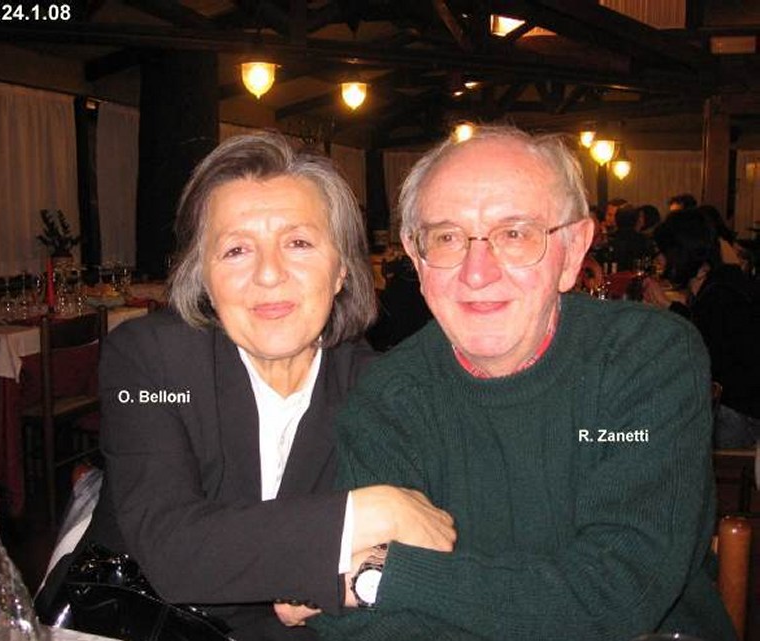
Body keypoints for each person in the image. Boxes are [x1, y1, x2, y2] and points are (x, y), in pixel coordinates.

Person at [298, 125, 734, 640]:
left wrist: (389, 576)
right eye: (447, 237)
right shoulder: (388, 398)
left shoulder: (644, 357)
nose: (477, 272)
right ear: (416, 258)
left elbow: (620, 590)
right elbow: (357, 627)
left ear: (573, 251)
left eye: (515, 234)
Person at [36, 132, 455, 641]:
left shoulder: (377, 387)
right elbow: (173, 550)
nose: (269, 274)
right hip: (131, 621)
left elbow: (430, 548)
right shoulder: (149, 362)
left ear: (342, 268)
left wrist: (336, 579)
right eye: (236, 250)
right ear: (204, 279)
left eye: (298, 243)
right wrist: (370, 511)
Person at [643, 209, 760, 449]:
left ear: (681, 254)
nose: (660, 261)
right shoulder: (723, 281)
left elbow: (699, 357)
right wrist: (669, 306)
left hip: (740, 417)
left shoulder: (721, 297)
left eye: (664, 253)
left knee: (651, 429)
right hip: (738, 407)